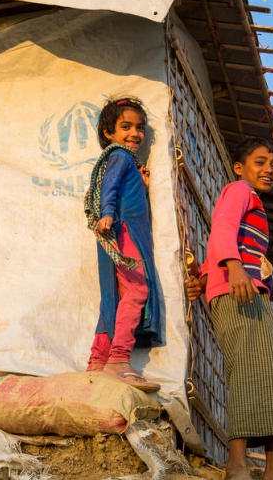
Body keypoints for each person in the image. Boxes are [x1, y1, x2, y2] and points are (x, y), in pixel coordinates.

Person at [185, 137, 273, 480]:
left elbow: (221, 249)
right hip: (240, 292)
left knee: (272, 371)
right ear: (240, 168)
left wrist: (206, 278)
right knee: (249, 369)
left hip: (250, 292)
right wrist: (233, 268)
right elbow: (221, 229)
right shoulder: (238, 190)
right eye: (260, 162)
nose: (269, 170)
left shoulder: (256, 204)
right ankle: (237, 463)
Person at [83, 97, 162, 393]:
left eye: (140, 128)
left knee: (112, 297)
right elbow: (110, 186)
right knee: (137, 289)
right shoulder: (121, 156)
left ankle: (97, 361)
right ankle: (118, 359)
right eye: (125, 126)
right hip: (123, 230)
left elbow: (119, 185)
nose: (135, 134)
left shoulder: (127, 161)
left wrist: (141, 187)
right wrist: (107, 213)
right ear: (108, 133)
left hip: (113, 232)